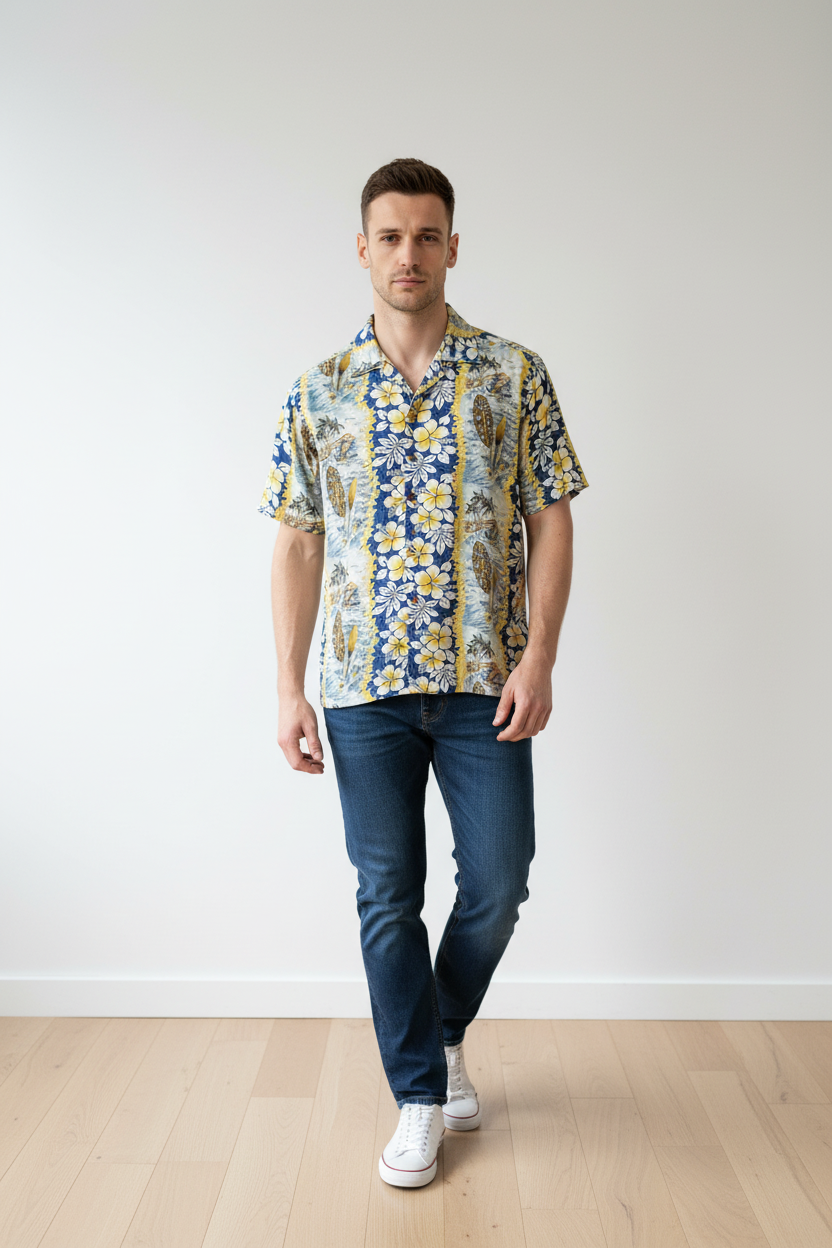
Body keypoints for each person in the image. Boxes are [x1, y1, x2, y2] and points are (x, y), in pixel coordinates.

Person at [259, 157, 588, 1188]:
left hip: (485, 680)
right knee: (387, 892)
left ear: (453, 247)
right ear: (363, 249)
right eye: (391, 237)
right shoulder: (319, 389)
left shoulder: (513, 374)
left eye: (427, 236)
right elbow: (298, 541)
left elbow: (550, 518)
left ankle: (439, 1032)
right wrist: (288, 686)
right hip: (362, 689)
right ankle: (417, 1094)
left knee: (498, 881)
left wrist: (539, 655)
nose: (409, 254)